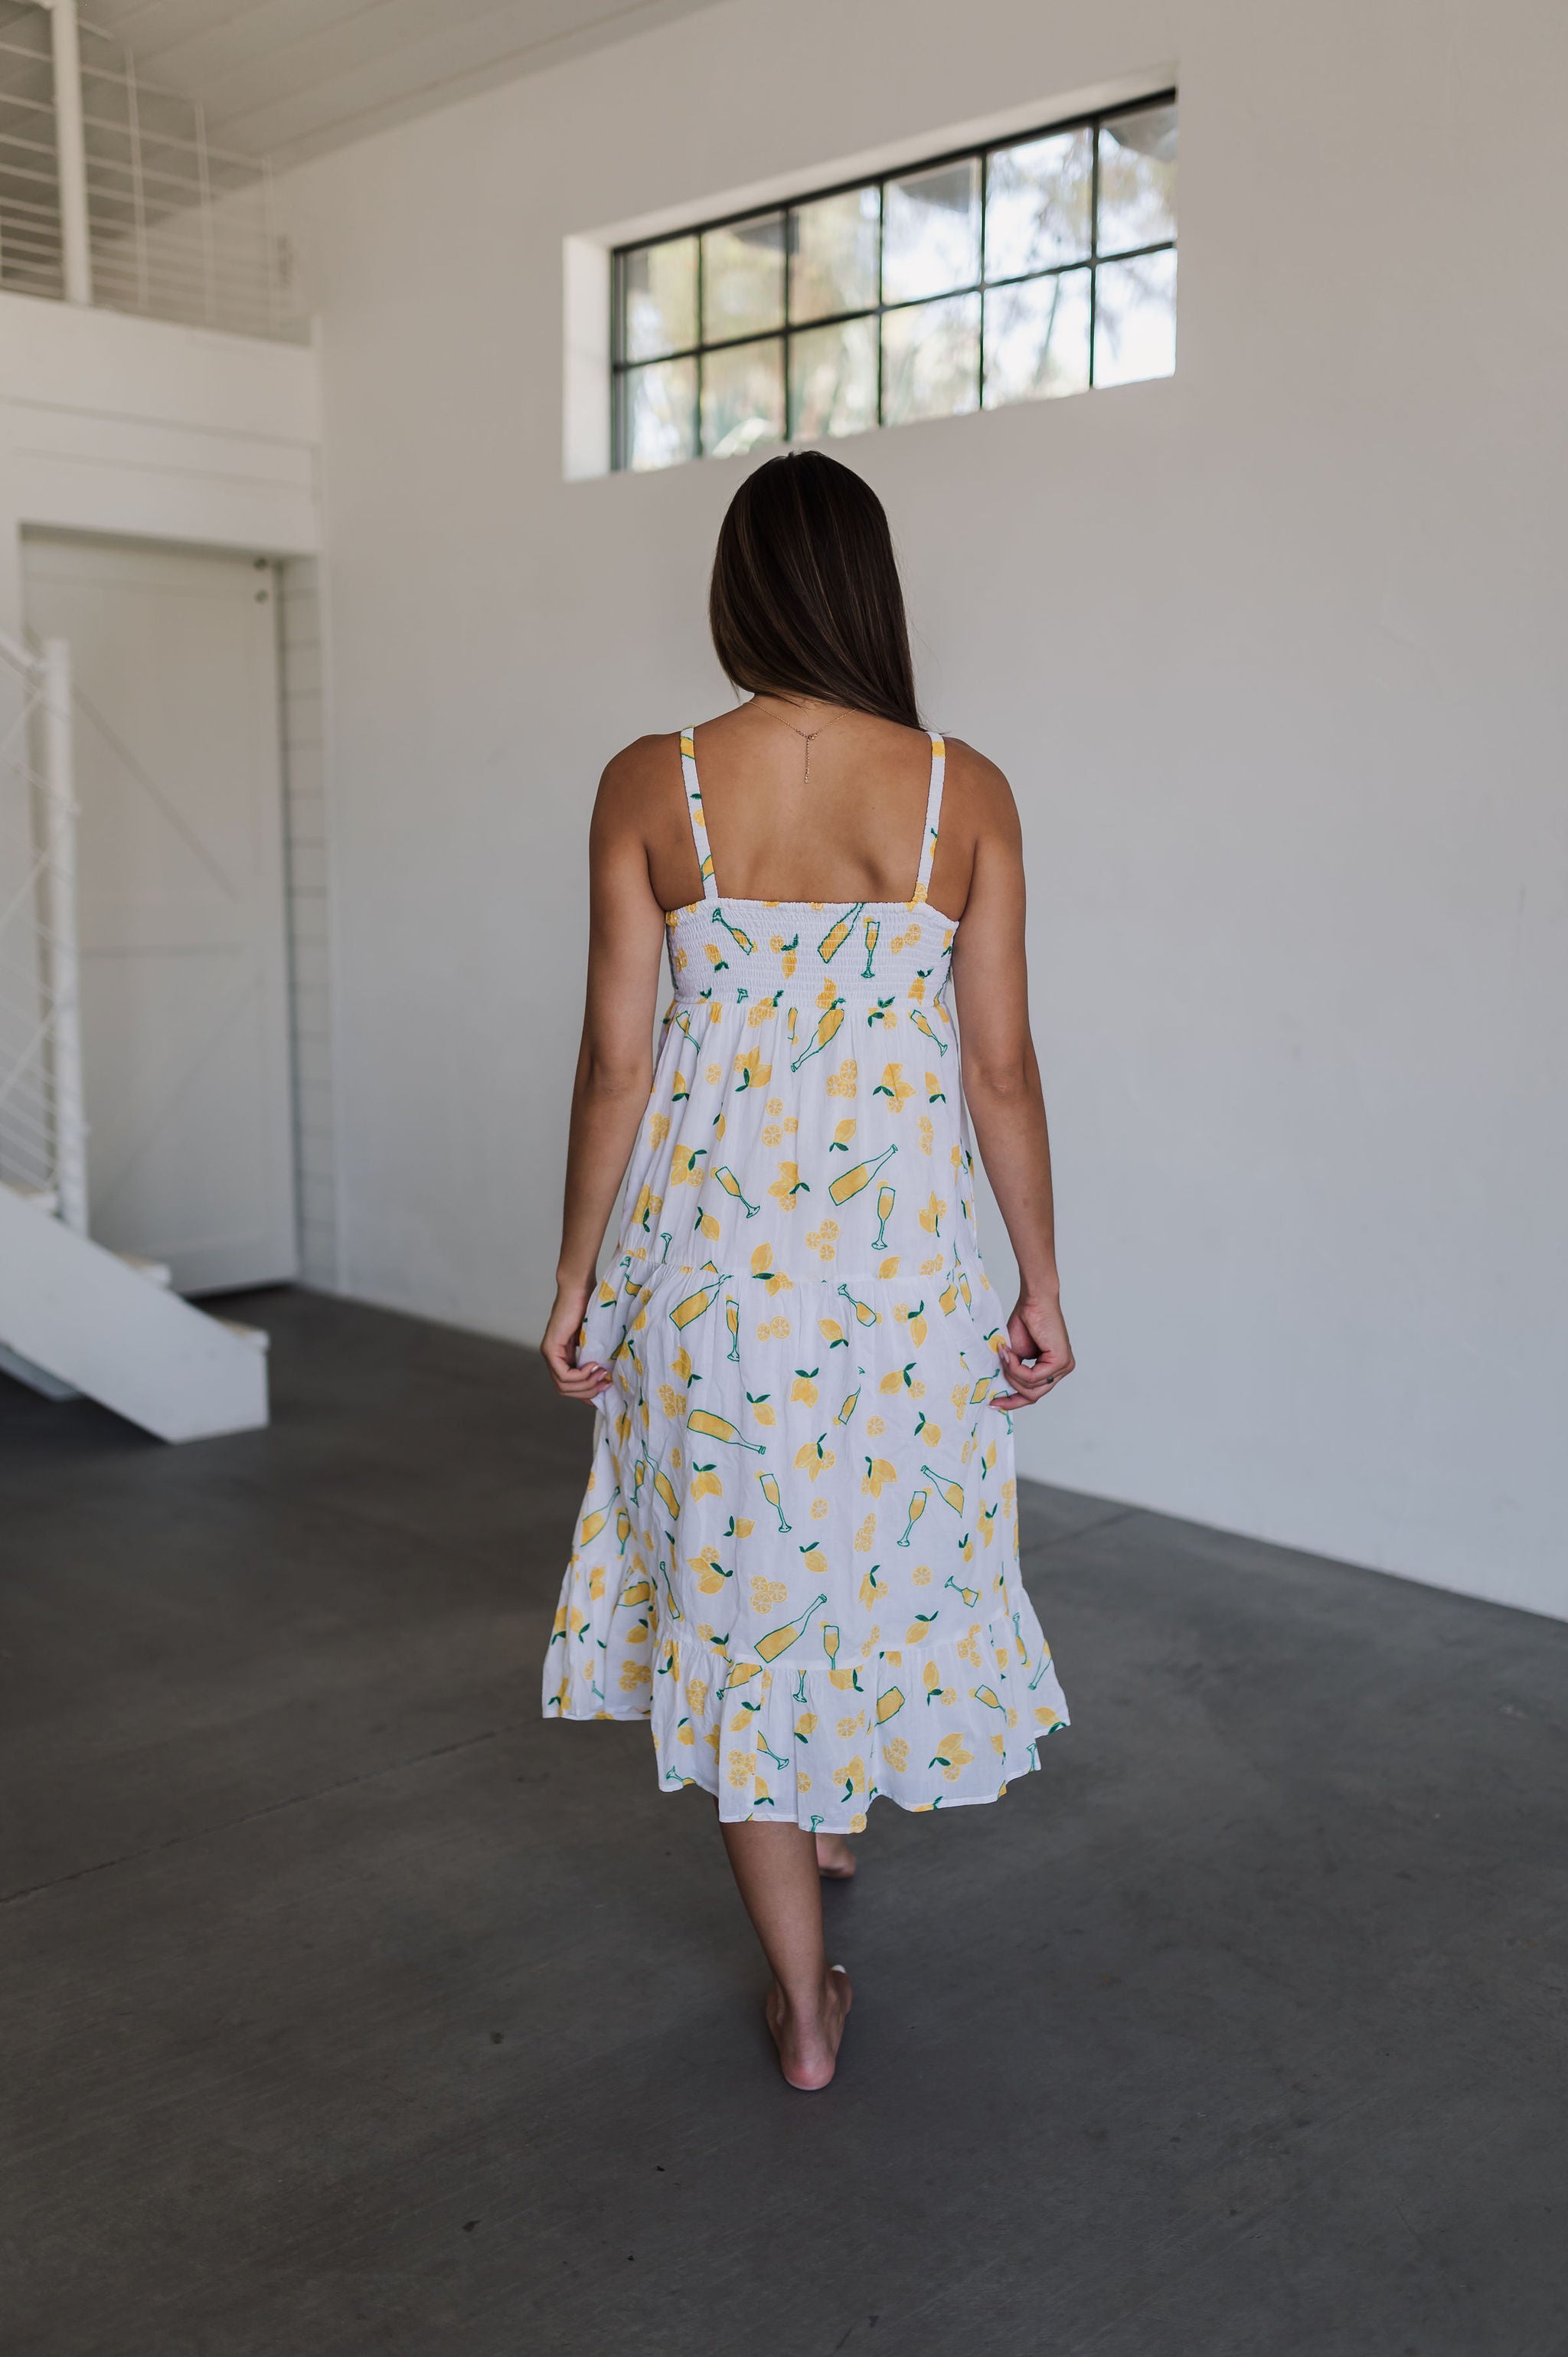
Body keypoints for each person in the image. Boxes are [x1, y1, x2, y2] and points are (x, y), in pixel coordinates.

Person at [541, 449, 1073, 2090]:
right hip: (900, 1274)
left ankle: (806, 2014)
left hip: (711, 1274)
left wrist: (574, 1278)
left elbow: (616, 1065)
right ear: (869, 590)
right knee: (861, 1543)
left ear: (737, 591)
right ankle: (830, 1851)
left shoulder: (655, 782)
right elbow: (998, 1071)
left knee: (745, 1587)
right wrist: (1039, 1280)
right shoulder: (956, 790)